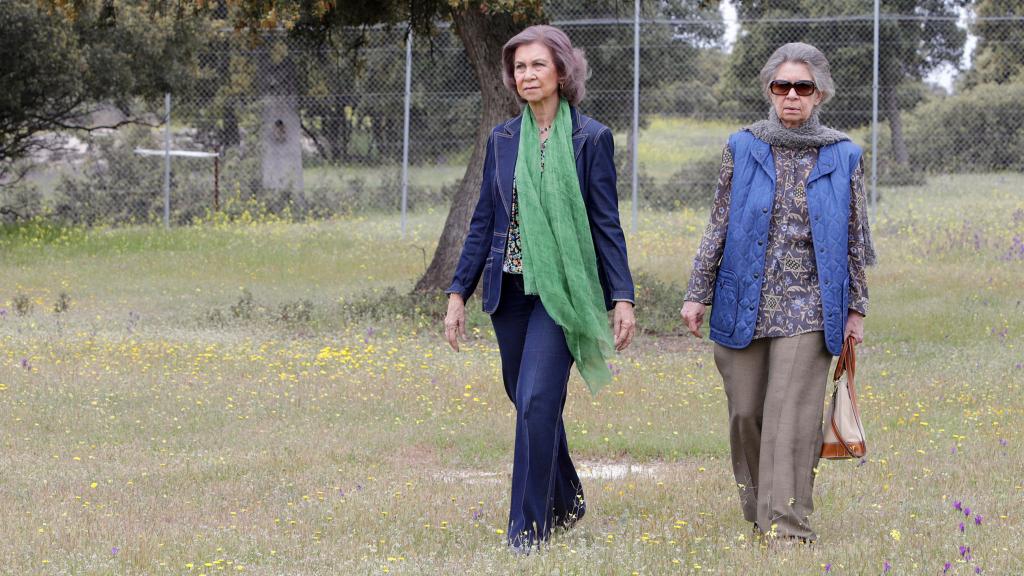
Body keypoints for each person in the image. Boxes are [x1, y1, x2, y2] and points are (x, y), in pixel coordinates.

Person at [443, 25, 636, 551]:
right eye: (519, 67)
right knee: (529, 400)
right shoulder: (503, 140)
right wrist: (458, 293)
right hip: (509, 293)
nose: (526, 75)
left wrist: (622, 295)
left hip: (563, 292)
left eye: (537, 66)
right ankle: (568, 496)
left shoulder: (590, 138)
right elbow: (483, 218)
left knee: (535, 403)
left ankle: (527, 531)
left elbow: (605, 222)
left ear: (562, 72)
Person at [679, 42, 875, 544]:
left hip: (810, 304)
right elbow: (718, 221)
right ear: (769, 90)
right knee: (746, 412)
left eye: (802, 87)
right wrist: (696, 292)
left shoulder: (844, 154)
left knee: (791, 415)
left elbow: (855, 237)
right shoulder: (742, 146)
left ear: (820, 94)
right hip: (743, 298)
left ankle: (788, 527)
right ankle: (760, 510)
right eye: (781, 86)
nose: (791, 95)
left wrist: (856, 308)